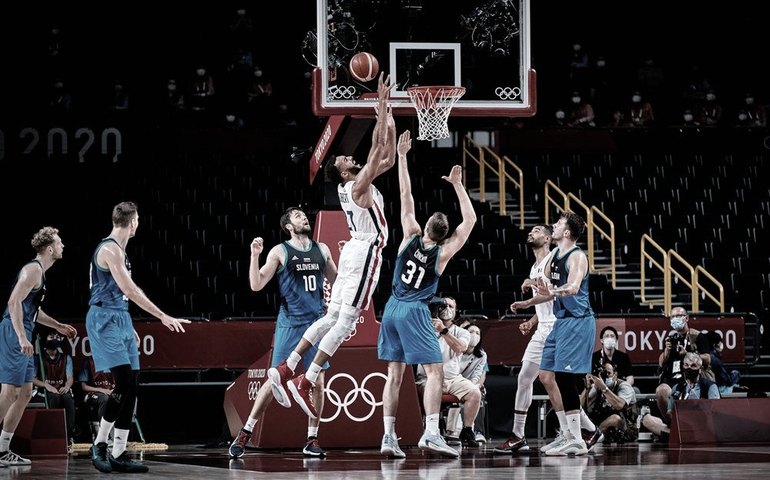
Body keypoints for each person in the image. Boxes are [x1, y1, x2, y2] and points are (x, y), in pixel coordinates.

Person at [268, 73, 396, 421]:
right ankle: (307, 380)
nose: (344, 156)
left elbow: (387, 158)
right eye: (340, 159)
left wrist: (390, 117)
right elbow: (375, 154)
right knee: (346, 320)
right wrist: (382, 106)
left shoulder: (356, 186)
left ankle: (287, 367)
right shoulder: (356, 187)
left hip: (353, 249)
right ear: (341, 173)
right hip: (366, 250)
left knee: (332, 317)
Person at [378, 127, 477, 458]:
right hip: (414, 310)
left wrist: (403, 158)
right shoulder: (443, 254)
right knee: (435, 371)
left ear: (427, 225)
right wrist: (459, 186)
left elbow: (405, 195)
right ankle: (432, 433)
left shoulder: (409, 234)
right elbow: (471, 220)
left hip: (390, 309)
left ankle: (388, 437)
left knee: (394, 375)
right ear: (444, 232)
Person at [87, 201, 191, 474]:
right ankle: (99, 445)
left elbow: (123, 294)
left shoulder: (121, 251)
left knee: (132, 384)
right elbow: (130, 290)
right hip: (103, 319)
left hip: (119, 317)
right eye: (138, 220)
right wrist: (162, 316)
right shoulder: (110, 249)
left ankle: (119, 452)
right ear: (133, 222)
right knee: (121, 383)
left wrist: (128, 323)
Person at [228, 207, 338, 459]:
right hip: (290, 323)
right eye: (298, 216)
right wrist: (254, 255)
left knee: (318, 381)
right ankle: (246, 432)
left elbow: (338, 280)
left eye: (304, 215)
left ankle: (312, 438)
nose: (304, 218)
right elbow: (256, 285)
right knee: (274, 379)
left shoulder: (322, 250)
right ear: (288, 225)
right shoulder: (280, 251)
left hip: (315, 323)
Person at [494, 224, 601, 455]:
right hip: (543, 327)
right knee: (526, 378)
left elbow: (558, 290)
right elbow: (546, 299)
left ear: (547, 238)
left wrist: (532, 285)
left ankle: (575, 433)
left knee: (552, 379)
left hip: (561, 325)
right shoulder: (535, 266)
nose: (531, 233)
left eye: (537, 230)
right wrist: (531, 320)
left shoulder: (557, 256)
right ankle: (520, 434)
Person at [0, 226, 77, 467]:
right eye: (60, 241)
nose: (63, 245)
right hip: (15, 331)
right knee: (9, 392)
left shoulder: (41, 273)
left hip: (24, 330)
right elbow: (13, 301)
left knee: (24, 393)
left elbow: (33, 310)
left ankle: (2, 450)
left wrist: (58, 325)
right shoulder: (33, 269)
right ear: (50, 248)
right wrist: (22, 338)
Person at [536, 212, 597, 456]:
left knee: (564, 378)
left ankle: (576, 439)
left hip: (577, 322)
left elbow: (571, 288)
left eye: (559, 223)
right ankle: (568, 434)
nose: (554, 225)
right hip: (560, 323)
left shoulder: (577, 257)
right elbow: (549, 290)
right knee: (546, 375)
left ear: (568, 233)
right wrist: (529, 303)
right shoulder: (554, 256)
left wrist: (551, 292)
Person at [414, 296, 479, 450]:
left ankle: (467, 430)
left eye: (451, 306)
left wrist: (443, 331)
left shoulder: (462, 332)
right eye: (444, 306)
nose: (448, 309)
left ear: (456, 311)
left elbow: (460, 348)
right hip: (426, 378)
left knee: (475, 393)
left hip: (453, 378)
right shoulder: (423, 328)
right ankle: (433, 429)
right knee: (429, 389)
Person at [641, 352, 719, 442]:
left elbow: (715, 412)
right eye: (686, 365)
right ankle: (676, 436)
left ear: (700, 369)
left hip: (702, 425)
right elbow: (669, 413)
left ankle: (672, 437)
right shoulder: (678, 387)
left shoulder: (709, 386)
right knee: (647, 420)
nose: (689, 368)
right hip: (682, 425)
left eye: (693, 366)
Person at [655, 307, 709, 419]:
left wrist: (688, 355)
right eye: (673, 317)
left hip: (690, 377)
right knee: (661, 391)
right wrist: (667, 350)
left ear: (687, 318)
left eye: (678, 316)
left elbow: (707, 358)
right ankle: (671, 424)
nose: (675, 319)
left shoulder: (697, 336)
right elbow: (661, 362)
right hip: (671, 379)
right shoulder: (670, 337)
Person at [32, 328, 77, 444]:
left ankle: (69, 436)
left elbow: (70, 377)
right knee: (54, 398)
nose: (55, 339)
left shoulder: (66, 358)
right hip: (44, 390)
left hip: (61, 389)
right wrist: (46, 385)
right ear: (45, 340)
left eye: (57, 337)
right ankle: (52, 433)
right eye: (51, 337)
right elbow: (32, 379)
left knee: (68, 399)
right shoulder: (38, 358)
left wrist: (67, 386)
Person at [585, 361, 638, 444]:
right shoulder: (598, 386)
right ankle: (593, 435)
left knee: (614, 419)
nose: (606, 377)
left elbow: (619, 405)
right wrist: (587, 388)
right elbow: (582, 406)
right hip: (604, 425)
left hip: (627, 428)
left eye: (608, 373)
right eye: (603, 374)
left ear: (615, 375)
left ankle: (593, 436)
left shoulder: (624, 386)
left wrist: (604, 388)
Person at [78, 356, 116, 442]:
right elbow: (84, 387)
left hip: (111, 392)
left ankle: (118, 438)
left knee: (120, 398)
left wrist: (115, 390)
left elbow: (120, 381)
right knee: (105, 399)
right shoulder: (88, 362)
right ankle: (104, 435)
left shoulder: (113, 360)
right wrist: (101, 389)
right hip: (93, 394)